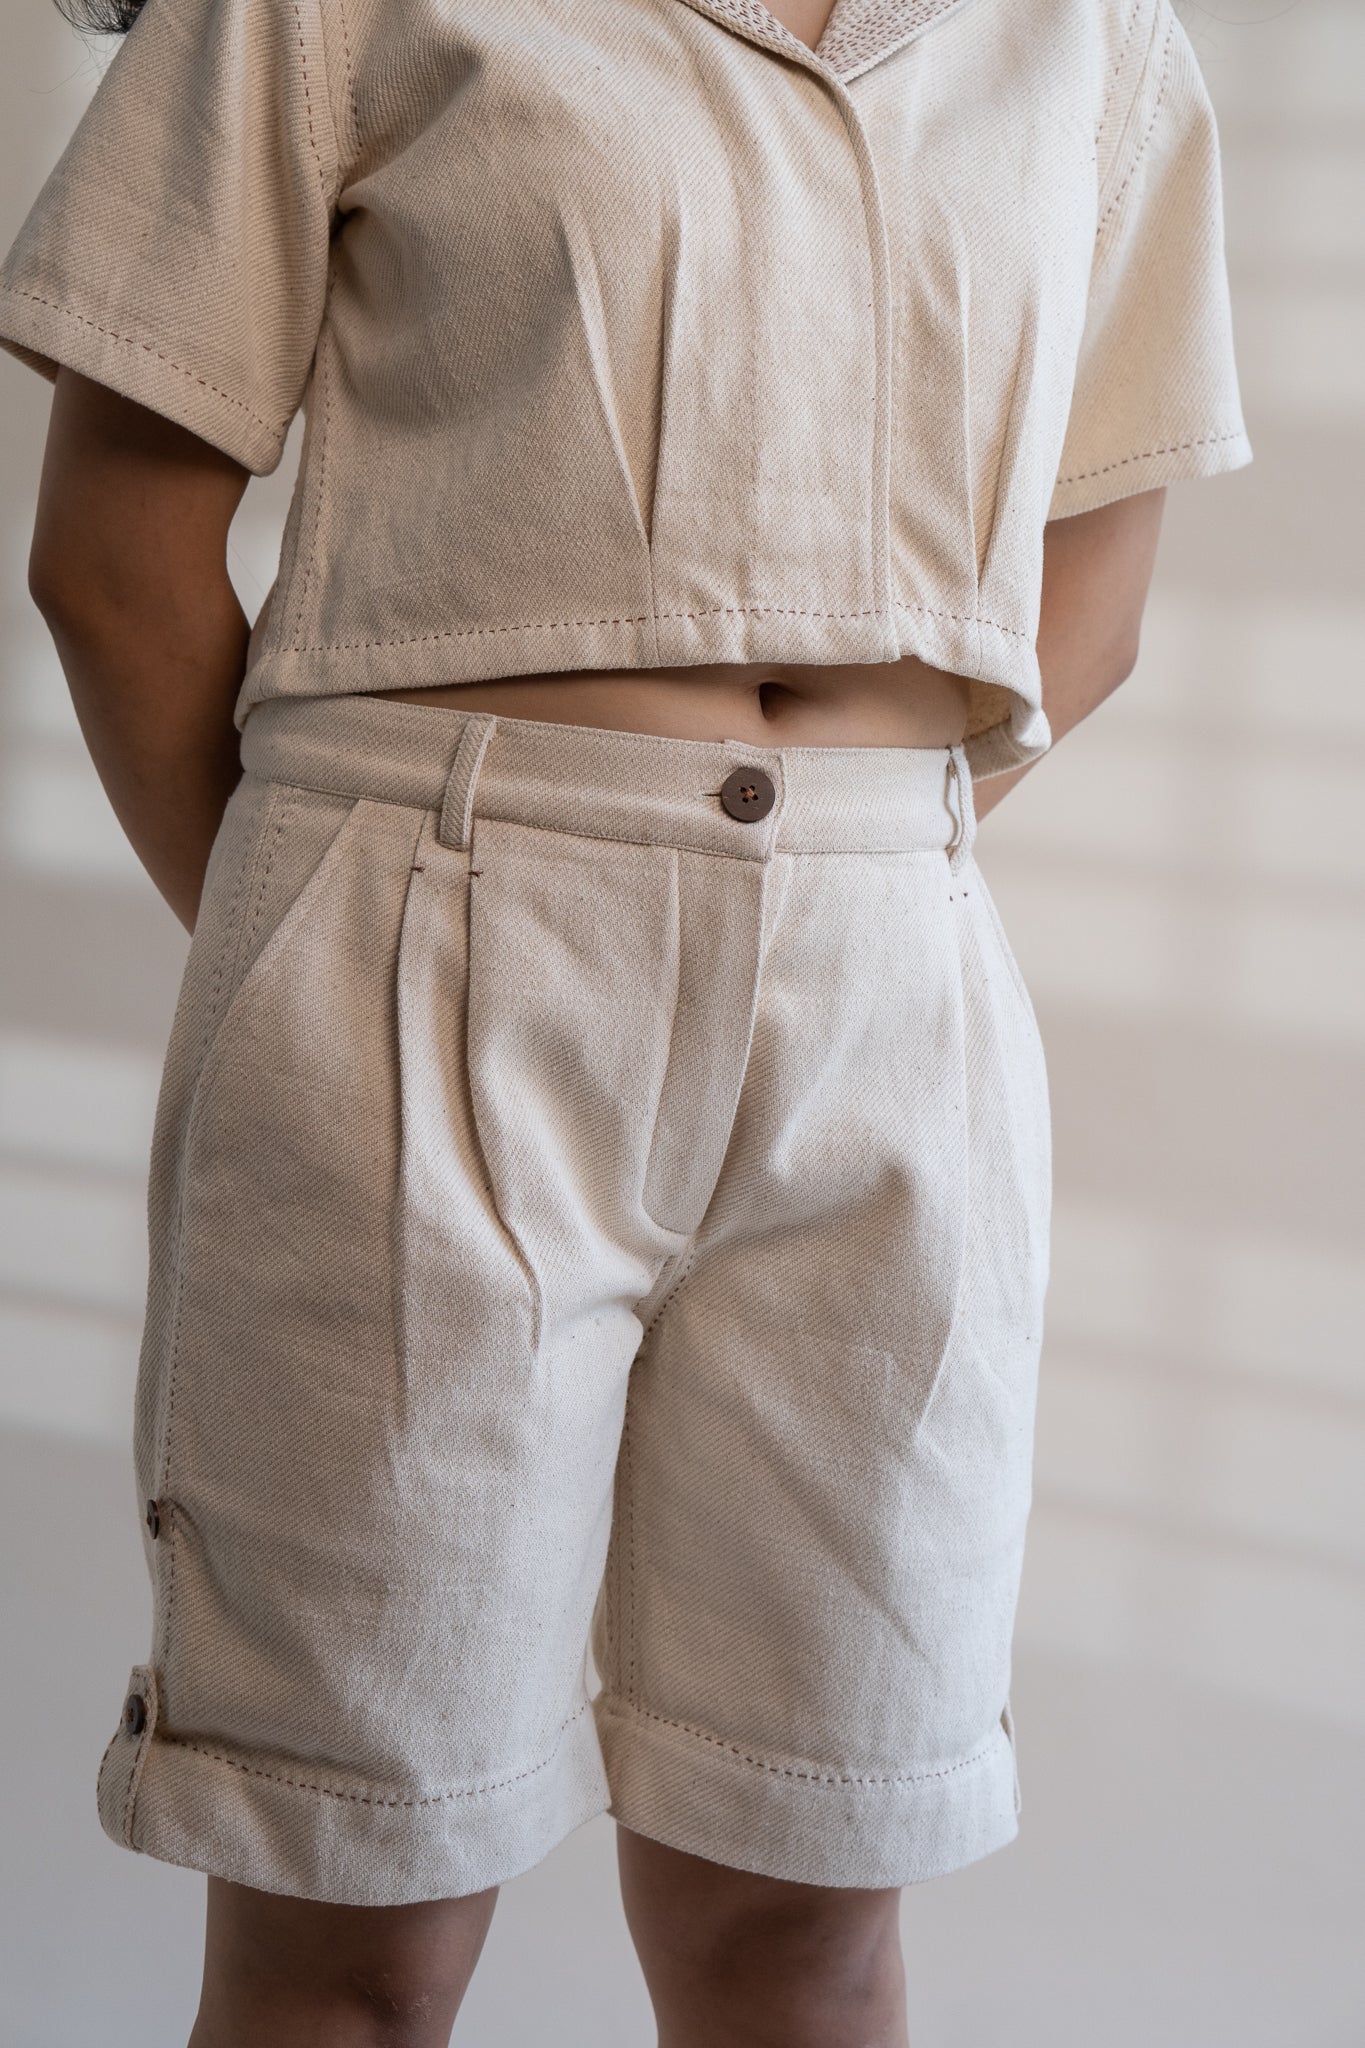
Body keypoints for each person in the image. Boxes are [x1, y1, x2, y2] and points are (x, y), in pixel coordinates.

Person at [0, 0, 1252, 2037]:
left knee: (805, 1913)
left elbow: (1080, 613)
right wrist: (336, 944)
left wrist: (801, 884)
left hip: (888, 989)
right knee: (354, 1925)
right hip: (423, 964)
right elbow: (114, 559)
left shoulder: (1089, 37)